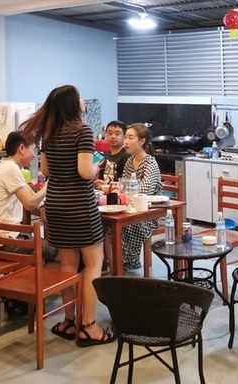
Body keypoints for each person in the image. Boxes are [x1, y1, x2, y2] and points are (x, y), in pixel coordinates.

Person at [20, 84, 114, 347]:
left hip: (56, 204)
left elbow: (46, 170)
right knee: (94, 263)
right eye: (80, 97)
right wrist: (96, 167)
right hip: (80, 205)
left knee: (68, 264)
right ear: (73, 104)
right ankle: (89, 326)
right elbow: (84, 172)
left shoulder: (49, 133)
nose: (83, 100)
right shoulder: (82, 131)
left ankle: (70, 321)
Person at [0, 130, 56, 261]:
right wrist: (48, 186)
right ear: (22, 148)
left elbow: (30, 193)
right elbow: (29, 204)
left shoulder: (6, 165)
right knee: (56, 251)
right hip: (6, 241)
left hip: (0, 237)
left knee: (54, 248)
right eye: (33, 149)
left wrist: (42, 206)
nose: (34, 155)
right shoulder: (11, 169)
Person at [118, 123, 162, 271]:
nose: (126, 141)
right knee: (108, 226)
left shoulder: (150, 163)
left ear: (142, 141)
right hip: (131, 207)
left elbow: (144, 190)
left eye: (130, 138)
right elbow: (123, 186)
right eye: (125, 137)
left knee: (128, 225)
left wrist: (125, 192)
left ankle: (128, 261)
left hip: (149, 212)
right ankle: (116, 261)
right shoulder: (130, 161)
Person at [97, 120, 130, 185]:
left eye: (117, 134)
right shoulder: (106, 155)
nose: (113, 136)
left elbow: (127, 182)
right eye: (110, 133)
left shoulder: (127, 156)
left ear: (124, 136)